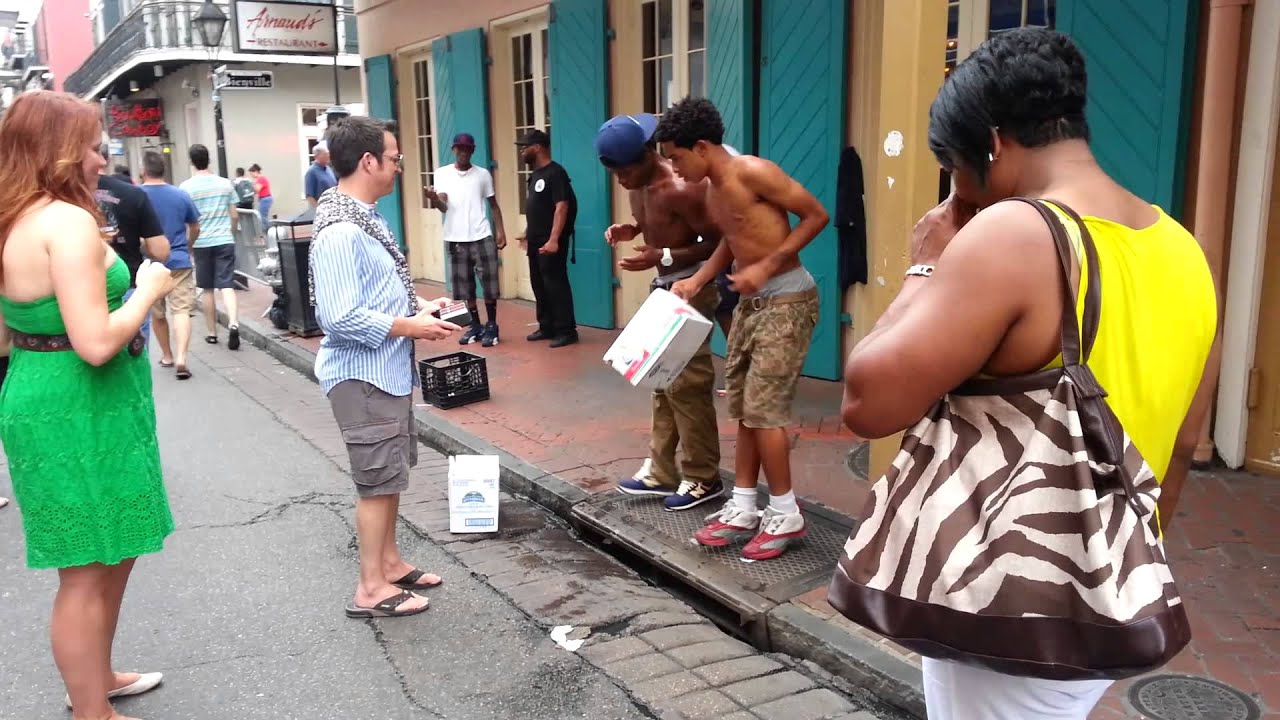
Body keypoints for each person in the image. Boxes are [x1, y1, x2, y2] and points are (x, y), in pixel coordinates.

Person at [836, 28, 1216, 719]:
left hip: (1009, 608)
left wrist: (925, 262)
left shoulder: (1017, 233)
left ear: (992, 145)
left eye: (954, 165)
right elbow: (1185, 443)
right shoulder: (1182, 249)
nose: (957, 189)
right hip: (1111, 590)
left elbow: (866, 401)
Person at [0, 90, 179, 720]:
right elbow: (98, 342)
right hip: (78, 403)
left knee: (111, 548)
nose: (101, 158)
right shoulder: (66, 222)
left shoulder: (17, 217)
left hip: (56, 394)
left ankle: (97, 677)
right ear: (56, 150)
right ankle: (90, 711)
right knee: (85, 567)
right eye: (90, 144)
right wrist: (149, 288)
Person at [657, 97, 827, 561]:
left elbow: (817, 215)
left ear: (703, 146)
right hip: (754, 304)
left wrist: (769, 263)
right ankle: (745, 506)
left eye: (676, 157)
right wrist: (696, 280)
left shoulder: (754, 172)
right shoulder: (713, 190)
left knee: (766, 411)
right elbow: (732, 241)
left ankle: (787, 513)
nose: (674, 169)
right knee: (747, 407)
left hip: (788, 299)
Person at [309, 116, 461, 619]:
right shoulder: (340, 231)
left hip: (384, 370)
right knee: (376, 483)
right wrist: (411, 327)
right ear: (368, 161)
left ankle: (389, 563)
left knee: (390, 475)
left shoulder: (361, 217)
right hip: (363, 374)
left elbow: (376, 288)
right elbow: (339, 315)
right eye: (394, 158)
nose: (399, 167)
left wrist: (420, 306)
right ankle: (371, 587)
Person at [596, 113, 724, 511]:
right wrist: (630, 230)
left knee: (687, 383)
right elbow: (651, 220)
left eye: (624, 173)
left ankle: (704, 477)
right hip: (665, 288)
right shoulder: (638, 183)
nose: (621, 182)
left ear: (646, 157)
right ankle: (662, 469)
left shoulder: (682, 186)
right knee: (661, 380)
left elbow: (720, 241)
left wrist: (665, 254)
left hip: (694, 285)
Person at [425, 132, 508, 347]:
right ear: (453, 150)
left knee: (489, 285)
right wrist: (434, 199)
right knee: (464, 288)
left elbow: (494, 205)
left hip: (481, 236)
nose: (463, 152)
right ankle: (475, 325)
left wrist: (500, 231)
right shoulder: (442, 174)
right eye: (459, 148)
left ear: (472, 150)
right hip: (455, 238)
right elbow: (443, 205)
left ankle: (492, 325)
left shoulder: (482, 175)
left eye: (467, 148)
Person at [96, 144, 168, 345]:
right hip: (128, 284)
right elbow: (160, 251)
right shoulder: (132, 194)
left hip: (80, 292)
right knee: (133, 358)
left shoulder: (61, 196)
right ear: (107, 159)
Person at [140, 151, 201, 379]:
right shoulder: (180, 195)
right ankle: (182, 358)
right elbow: (195, 225)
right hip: (179, 260)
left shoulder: (137, 196)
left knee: (158, 313)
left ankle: (166, 354)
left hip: (151, 263)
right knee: (182, 310)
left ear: (143, 170)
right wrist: (188, 245)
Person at [515, 129, 578, 347]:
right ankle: (546, 326)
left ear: (538, 147)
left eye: (525, 146)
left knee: (555, 284)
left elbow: (561, 207)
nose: (522, 150)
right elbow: (538, 208)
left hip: (551, 241)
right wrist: (526, 233)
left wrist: (554, 240)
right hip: (535, 240)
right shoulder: (535, 175)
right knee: (538, 283)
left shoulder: (556, 173)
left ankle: (566, 330)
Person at [180, 144, 241, 349]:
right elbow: (234, 215)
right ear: (209, 160)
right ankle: (233, 323)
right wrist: (230, 232)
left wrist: (188, 243)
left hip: (201, 242)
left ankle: (212, 332)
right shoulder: (225, 184)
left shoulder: (186, 188)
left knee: (207, 288)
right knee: (227, 285)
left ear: (191, 161)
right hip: (224, 239)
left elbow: (188, 221)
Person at [305, 141, 338, 207]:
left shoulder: (328, 169)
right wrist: (319, 212)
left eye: (328, 154)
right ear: (317, 156)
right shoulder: (311, 172)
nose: (328, 156)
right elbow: (310, 197)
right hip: (323, 210)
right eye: (325, 154)